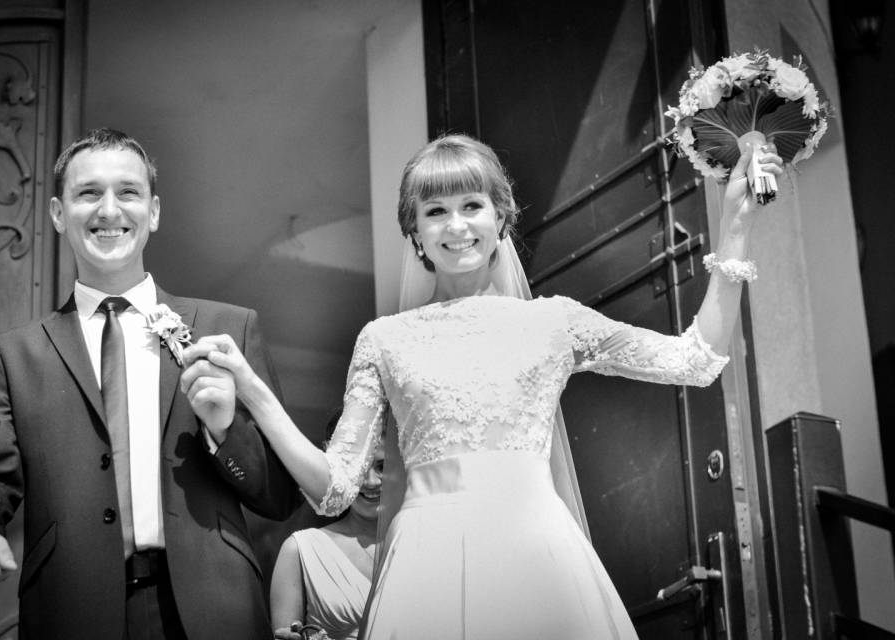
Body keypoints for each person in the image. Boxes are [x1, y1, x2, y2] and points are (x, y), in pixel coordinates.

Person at [180, 133, 782, 639]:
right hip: (425, 566)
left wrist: (736, 227)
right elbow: (334, 490)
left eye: (472, 205)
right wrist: (254, 391)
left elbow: (695, 361)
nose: (456, 225)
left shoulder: (555, 321)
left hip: (536, 555)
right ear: (415, 231)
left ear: (501, 217)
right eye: (435, 211)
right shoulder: (383, 340)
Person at [0, 128, 300, 640]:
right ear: (58, 214)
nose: (109, 210)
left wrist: (225, 433)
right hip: (71, 610)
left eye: (128, 192)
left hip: (213, 609)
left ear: (153, 212)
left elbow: (282, 497)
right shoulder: (14, 355)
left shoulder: (228, 330)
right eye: (88, 193)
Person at [270, 416, 384, 640]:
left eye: (382, 467)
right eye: (358, 467)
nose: (370, 482)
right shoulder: (300, 549)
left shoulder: (428, 546)